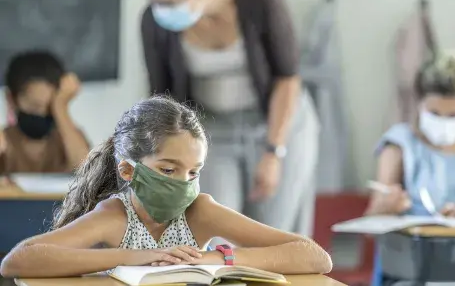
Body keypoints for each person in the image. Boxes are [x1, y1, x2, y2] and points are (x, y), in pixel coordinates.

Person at [0, 96, 332, 278]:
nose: (183, 184)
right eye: (168, 169)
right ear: (129, 169)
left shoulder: (200, 210)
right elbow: (18, 261)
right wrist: (136, 257)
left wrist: (215, 258)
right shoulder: (115, 216)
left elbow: (315, 257)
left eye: (193, 172)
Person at [141, 0, 320, 237]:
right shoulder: (154, 22)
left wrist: (274, 152)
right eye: (153, 1)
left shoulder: (259, 0)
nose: (161, 10)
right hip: (211, 130)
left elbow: (287, 78)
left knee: (273, 232)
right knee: (216, 229)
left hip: (278, 123)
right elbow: (162, 99)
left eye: (168, 2)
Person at [366, 50, 455, 285]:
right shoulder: (400, 145)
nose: (443, 123)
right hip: (414, 270)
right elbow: (370, 227)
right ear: (419, 104)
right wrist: (384, 208)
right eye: (434, 113)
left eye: (454, 115)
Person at [0, 50, 89, 174]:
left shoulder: (67, 137)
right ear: (12, 99)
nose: (42, 113)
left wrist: (60, 107)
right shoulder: (6, 140)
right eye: (35, 106)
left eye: (49, 107)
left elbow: (87, 170)